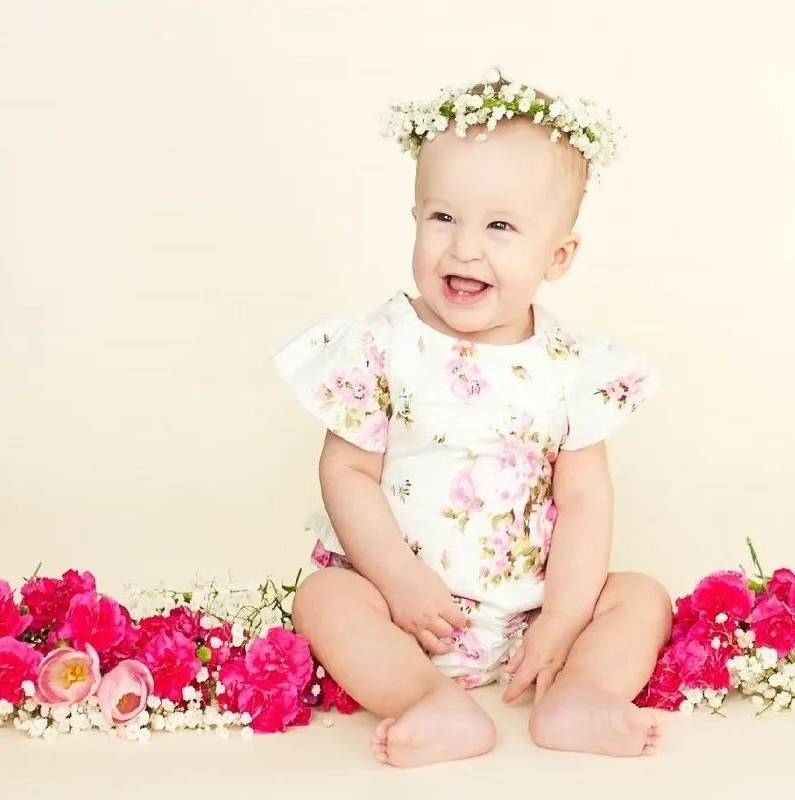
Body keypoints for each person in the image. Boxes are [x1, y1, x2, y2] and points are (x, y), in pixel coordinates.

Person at [271, 69, 672, 768]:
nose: (464, 247)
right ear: (416, 217)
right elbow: (347, 471)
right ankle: (429, 699)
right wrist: (396, 578)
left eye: (500, 226)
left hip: (532, 613)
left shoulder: (573, 366)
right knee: (325, 599)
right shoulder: (382, 342)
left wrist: (562, 623)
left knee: (641, 597)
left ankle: (577, 691)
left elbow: (583, 501)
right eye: (442, 217)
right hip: (403, 606)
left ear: (558, 256)